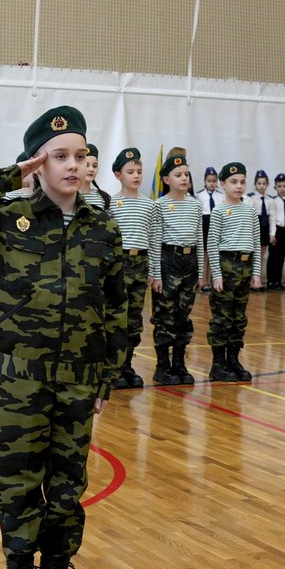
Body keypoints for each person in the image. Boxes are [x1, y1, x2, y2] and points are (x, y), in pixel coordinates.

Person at [0, 106, 127, 569]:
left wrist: (108, 376)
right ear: (36, 163)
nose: (72, 165)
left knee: (67, 488)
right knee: (18, 484)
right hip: (23, 380)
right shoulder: (7, 217)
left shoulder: (103, 227)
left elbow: (117, 308)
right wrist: (8, 176)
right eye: (58, 156)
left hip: (80, 380)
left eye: (79, 155)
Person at [148, 152, 204, 385]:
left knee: (183, 315)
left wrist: (201, 273)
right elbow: (155, 241)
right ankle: (162, 366)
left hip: (189, 264)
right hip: (167, 262)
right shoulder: (159, 205)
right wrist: (156, 274)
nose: (184, 178)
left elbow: (199, 239)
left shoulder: (195, 205)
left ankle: (179, 363)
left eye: (186, 174)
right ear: (166, 180)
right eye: (178, 175)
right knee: (165, 315)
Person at [108, 146, 159, 388]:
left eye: (139, 171)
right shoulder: (112, 203)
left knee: (134, 318)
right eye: (130, 172)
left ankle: (127, 364)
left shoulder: (150, 205)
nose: (136, 176)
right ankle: (114, 367)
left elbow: (154, 239)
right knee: (117, 316)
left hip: (141, 263)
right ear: (118, 175)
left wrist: (153, 271)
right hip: (120, 263)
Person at [206, 162, 261, 382]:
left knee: (239, 317)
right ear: (223, 184)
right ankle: (218, 364)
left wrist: (256, 273)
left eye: (242, 182)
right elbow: (212, 244)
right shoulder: (219, 211)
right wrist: (217, 274)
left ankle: (233, 359)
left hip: (245, 267)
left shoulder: (250, 210)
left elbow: (256, 243)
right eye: (233, 182)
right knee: (222, 317)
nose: (239, 186)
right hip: (226, 266)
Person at [247, 169, 278, 291]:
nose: (261, 186)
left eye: (264, 183)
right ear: (255, 184)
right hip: (254, 228)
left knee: (260, 257)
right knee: (252, 256)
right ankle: (249, 281)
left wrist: (272, 234)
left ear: (267, 185)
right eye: (259, 183)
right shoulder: (250, 198)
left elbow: (273, 218)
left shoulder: (270, 200)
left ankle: (257, 281)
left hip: (265, 228)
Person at [266, 172, 285, 291]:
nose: (282, 188)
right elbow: (272, 219)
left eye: (284, 186)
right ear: (275, 188)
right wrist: (272, 234)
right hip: (276, 232)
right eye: (279, 186)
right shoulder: (273, 201)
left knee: (281, 257)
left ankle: (278, 281)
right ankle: (270, 282)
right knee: (273, 257)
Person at [195, 166, 220, 293]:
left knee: (212, 254)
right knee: (204, 255)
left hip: (215, 223)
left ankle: (210, 281)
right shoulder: (199, 195)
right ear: (204, 181)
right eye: (209, 181)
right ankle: (202, 282)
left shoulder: (221, 196)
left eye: (214, 181)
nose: (211, 183)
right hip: (204, 223)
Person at [78, 143, 110, 210]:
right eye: (87, 165)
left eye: (95, 166)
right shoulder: (69, 196)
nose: (91, 169)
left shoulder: (103, 198)